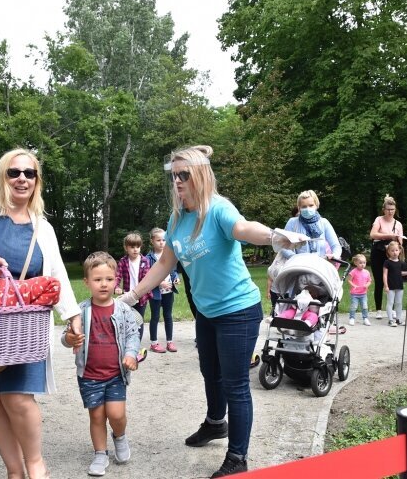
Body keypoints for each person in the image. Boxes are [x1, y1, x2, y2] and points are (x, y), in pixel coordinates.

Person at [117, 145, 305, 478]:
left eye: (184, 174)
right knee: (210, 372)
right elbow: (164, 263)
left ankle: (237, 458)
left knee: (235, 384)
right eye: (174, 175)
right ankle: (216, 424)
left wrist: (275, 236)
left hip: (238, 311)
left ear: (201, 175)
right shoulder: (177, 219)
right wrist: (132, 296)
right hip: (206, 312)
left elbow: (244, 229)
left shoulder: (218, 209)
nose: (177, 181)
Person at [0, 148, 82, 479]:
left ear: (36, 181)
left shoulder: (42, 227)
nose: (22, 178)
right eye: (14, 172)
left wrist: (72, 315)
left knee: (19, 399)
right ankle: (13, 472)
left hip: (25, 327)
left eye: (29, 173)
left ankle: (36, 466)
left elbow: (56, 275)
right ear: (2, 176)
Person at [61, 251, 141, 477]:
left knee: (116, 415)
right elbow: (67, 337)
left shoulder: (123, 310)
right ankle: (100, 453)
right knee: (96, 416)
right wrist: (70, 338)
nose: (104, 284)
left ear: (116, 280)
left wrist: (131, 354)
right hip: (89, 375)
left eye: (108, 279)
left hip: (116, 374)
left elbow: (133, 335)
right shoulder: (80, 311)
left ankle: (120, 436)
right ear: (87, 282)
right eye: (97, 280)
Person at [280, 190, 341, 261]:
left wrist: (335, 255)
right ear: (299, 208)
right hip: (299, 266)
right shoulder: (292, 222)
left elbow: (335, 245)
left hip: (320, 265)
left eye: (311, 205)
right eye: (304, 206)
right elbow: (283, 246)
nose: (307, 209)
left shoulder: (324, 222)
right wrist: (294, 257)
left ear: (316, 205)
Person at [369, 195, 404, 320]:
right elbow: (372, 234)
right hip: (378, 253)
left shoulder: (398, 224)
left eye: (392, 209)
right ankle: (378, 310)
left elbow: (400, 242)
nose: (390, 212)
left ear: (395, 210)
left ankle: (393, 309)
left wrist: (398, 240)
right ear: (384, 209)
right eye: (388, 209)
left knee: (393, 280)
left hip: (392, 254)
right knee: (379, 281)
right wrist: (389, 235)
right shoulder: (379, 219)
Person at [114, 232, 152, 344]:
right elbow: (117, 276)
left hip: (141, 297)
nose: (135, 249)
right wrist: (116, 287)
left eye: (138, 246)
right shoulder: (123, 261)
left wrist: (142, 292)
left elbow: (146, 279)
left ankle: (136, 346)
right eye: (132, 247)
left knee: (139, 321)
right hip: (127, 297)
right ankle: (126, 344)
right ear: (126, 248)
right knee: (127, 321)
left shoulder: (145, 261)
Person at [146, 228, 179, 353]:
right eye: (158, 240)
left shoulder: (170, 254)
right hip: (155, 293)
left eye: (164, 240)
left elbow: (173, 271)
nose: (161, 242)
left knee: (168, 316)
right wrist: (160, 283)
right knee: (155, 317)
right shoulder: (148, 258)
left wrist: (175, 278)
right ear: (152, 241)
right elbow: (147, 276)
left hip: (169, 292)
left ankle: (169, 342)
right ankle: (154, 343)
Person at [383, 241, 407, 327]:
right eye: (392, 250)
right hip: (390, 286)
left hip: (399, 285)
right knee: (390, 302)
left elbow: (401, 273)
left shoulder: (401, 263)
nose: (394, 252)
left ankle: (398, 319)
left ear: (399, 251)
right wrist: (386, 285)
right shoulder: (387, 262)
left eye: (396, 250)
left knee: (399, 303)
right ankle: (390, 320)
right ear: (388, 252)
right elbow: (385, 274)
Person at [347, 254, 371, 326]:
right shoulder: (353, 272)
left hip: (363, 293)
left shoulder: (367, 272)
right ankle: (352, 318)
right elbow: (349, 280)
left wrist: (367, 285)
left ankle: (365, 318)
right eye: (360, 263)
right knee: (354, 306)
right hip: (354, 294)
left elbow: (369, 281)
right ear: (356, 263)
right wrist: (353, 285)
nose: (362, 264)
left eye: (364, 263)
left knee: (364, 306)